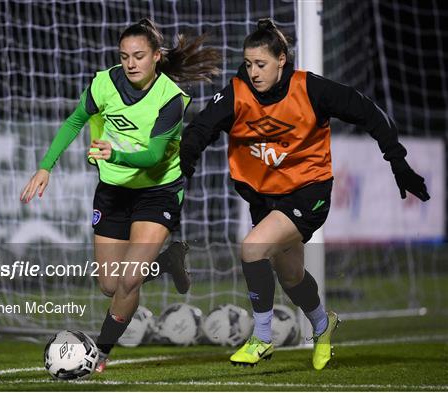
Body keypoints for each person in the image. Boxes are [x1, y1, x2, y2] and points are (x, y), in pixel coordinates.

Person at [180, 18, 429, 370]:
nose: (253, 72)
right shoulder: (236, 93)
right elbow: (199, 130)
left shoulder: (310, 89)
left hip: (307, 191)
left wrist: (398, 162)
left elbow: (369, 112)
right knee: (292, 275)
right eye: (249, 64)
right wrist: (183, 171)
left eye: (261, 64)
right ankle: (323, 324)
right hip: (263, 198)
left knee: (252, 249)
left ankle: (263, 338)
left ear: (282, 58)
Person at [20, 18, 220, 372]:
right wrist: (45, 166)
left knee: (129, 278)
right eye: (124, 56)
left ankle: (101, 352)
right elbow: (75, 121)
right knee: (110, 285)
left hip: (157, 190)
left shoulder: (170, 99)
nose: (130, 63)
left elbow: (154, 156)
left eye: (139, 56)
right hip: (113, 192)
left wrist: (116, 154)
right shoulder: (104, 84)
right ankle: (168, 260)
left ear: (157, 56)